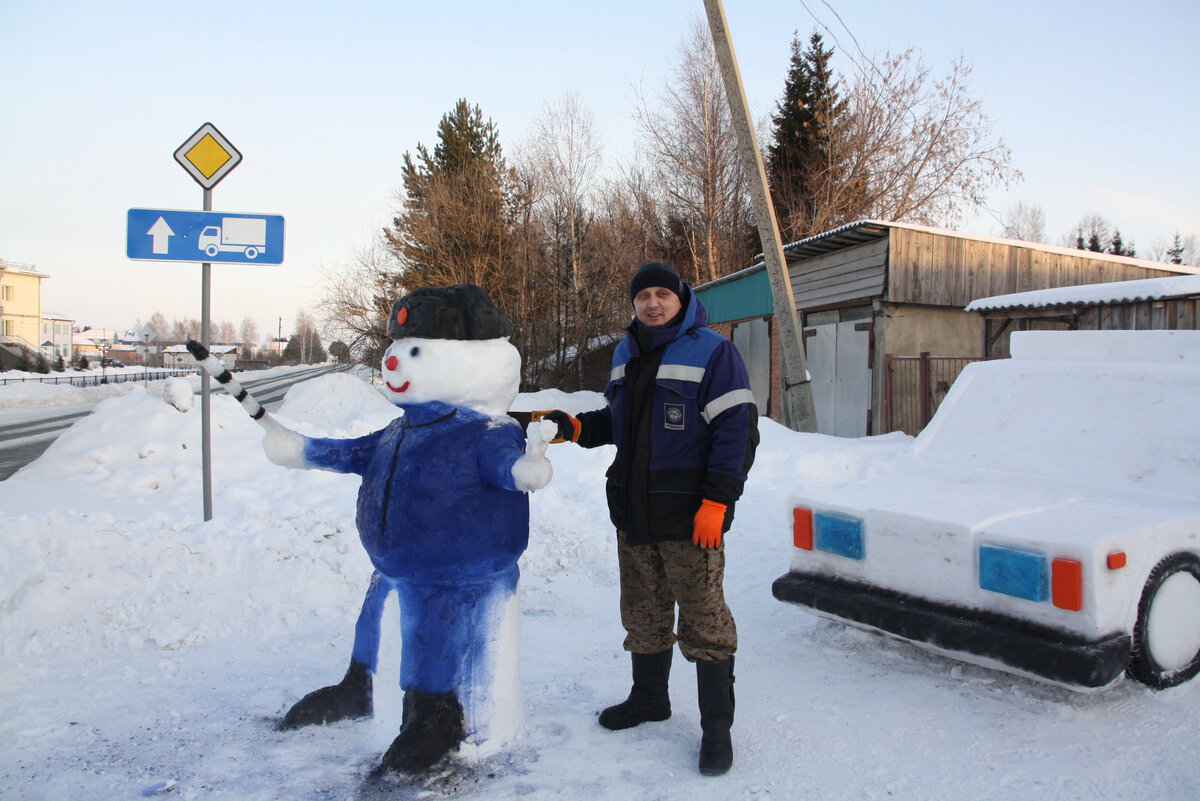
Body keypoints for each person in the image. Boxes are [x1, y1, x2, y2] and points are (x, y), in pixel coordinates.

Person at [542, 260, 758, 776]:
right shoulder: (625, 353)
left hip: (690, 518)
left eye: (663, 293)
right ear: (634, 304)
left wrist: (717, 503)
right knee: (643, 613)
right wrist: (573, 426)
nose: (653, 303)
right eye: (643, 296)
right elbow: (620, 422)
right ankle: (649, 699)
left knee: (705, 622)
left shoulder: (714, 351)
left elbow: (737, 432)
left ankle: (716, 731)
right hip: (635, 513)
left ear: (681, 299)